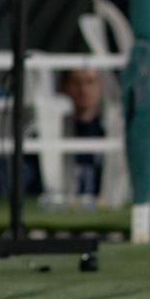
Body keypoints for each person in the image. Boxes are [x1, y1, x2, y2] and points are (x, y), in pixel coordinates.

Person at [61, 67, 106, 200]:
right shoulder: (53, 132)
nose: (83, 90)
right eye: (76, 82)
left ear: (100, 86)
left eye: (90, 82)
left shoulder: (110, 132)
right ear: (65, 86)